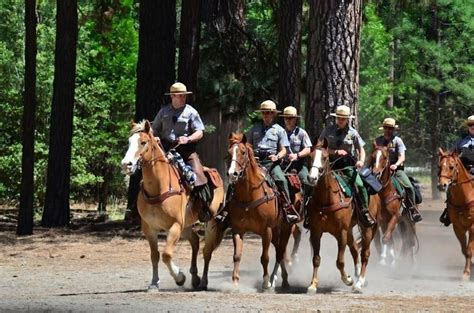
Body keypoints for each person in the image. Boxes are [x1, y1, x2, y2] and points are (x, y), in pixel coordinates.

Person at [151, 82, 212, 222]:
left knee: (199, 177)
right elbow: (154, 130)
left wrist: (189, 138)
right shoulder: (163, 112)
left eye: (184, 95)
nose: (183, 98)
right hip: (165, 150)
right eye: (180, 95)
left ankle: (203, 208)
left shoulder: (191, 112)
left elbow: (200, 132)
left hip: (186, 151)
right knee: (149, 172)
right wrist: (155, 137)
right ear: (172, 96)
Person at [318, 105, 375, 227]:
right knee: (314, 182)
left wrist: (361, 161)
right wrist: (335, 152)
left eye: (343, 118)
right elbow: (319, 147)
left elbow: (361, 149)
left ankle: (364, 211)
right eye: (338, 118)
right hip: (329, 165)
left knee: (360, 185)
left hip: (347, 166)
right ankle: (309, 212)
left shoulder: (353, 133)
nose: (340, 120)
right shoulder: (327, 131)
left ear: (348, 119)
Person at [247, 100, 298, 222]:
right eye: (264, 112)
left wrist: (277, 157)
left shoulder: (280, 130)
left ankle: (287, 208)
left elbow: (284, 150)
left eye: (269, 112)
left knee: (281, 179)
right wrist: (251, 155)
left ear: (273, 114)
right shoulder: (254, 128)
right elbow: (247, 144)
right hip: (255, 162)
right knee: (237, 179)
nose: (266, 114)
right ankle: (227, 209)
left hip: (271, 162)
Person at [374, 117, 422, 223]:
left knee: (409, 186)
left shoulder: (397, 141)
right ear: (383, 128)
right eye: (386, 128)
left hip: (396, 171)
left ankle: (412, 209)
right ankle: (367, 211)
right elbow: (375, 155)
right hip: (380, 170)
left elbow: (402, 156)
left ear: (393, 130)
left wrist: (396, 164)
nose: (388, 130)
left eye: (390, 128)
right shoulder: (378, 140)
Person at [439, 114, 474, 226]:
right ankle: (449, 213)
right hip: (463, 170)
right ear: (468, 126)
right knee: (451, 189)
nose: (473, 126)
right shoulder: (461, 140)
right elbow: (452, 154)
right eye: (470, 125)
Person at [279, 106, 312, 203]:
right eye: (286, 118)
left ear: (295, 119)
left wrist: (297, 155)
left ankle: (306, 206)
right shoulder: (280, 132)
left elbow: (308, 149)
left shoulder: (301, 133)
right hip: (283, 165)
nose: (288, 120)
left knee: (308, 182)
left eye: (290, 118)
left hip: (299, 166)